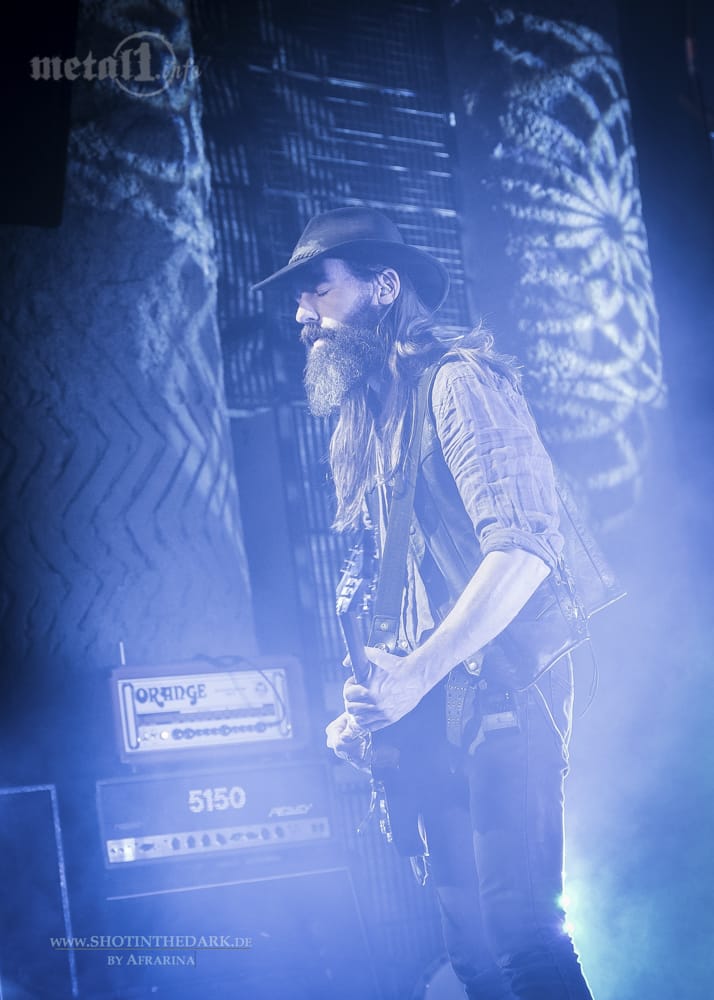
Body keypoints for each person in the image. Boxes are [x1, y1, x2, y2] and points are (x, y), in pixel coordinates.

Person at [254, 206, 596, 999]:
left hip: (504, 696)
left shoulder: (459, 382)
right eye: (298, 299)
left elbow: (524, 548)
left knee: (522, 941)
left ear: (384, 286)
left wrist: (415, 675)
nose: (301, 315)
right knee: (474, 956)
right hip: (438, 715)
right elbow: (404, 596)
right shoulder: (373, 419)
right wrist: (375, 703)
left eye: (318, 290)